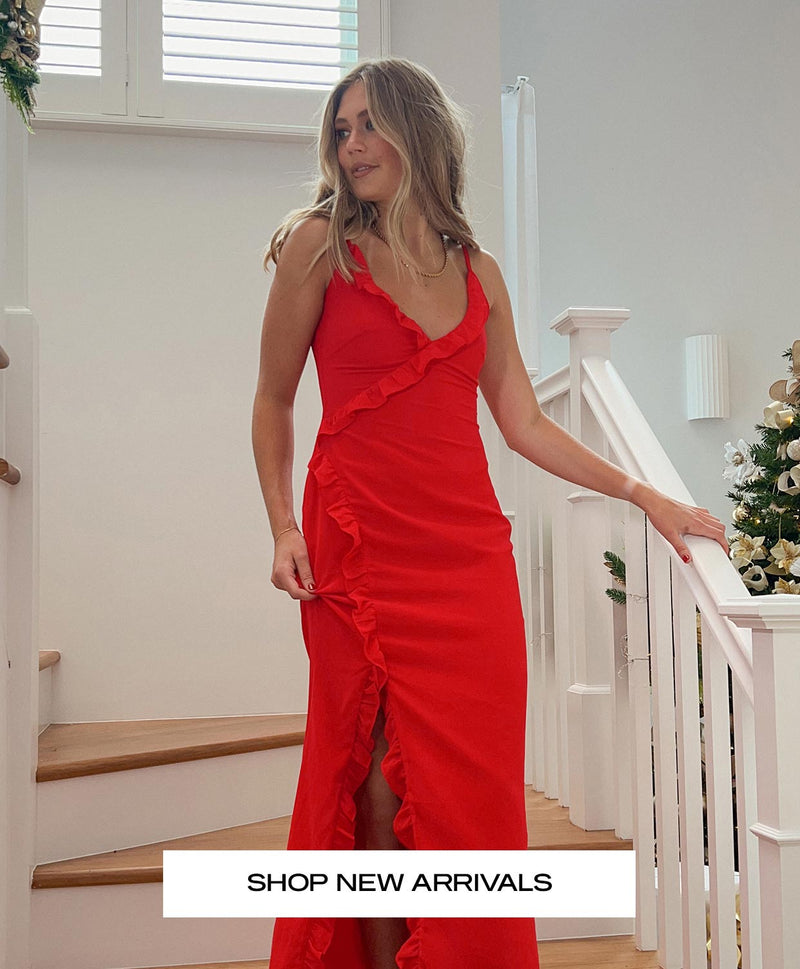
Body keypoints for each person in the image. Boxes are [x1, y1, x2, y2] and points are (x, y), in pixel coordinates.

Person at [251, 56, 728, 969]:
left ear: (419, 130)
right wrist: (282, 526)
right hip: (358, 544)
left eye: (369, 124)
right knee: (371, 778)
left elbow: (524, 423)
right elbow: (271, 400)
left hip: (467, 561)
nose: (351, 146)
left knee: (470, 791)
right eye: (341, 130)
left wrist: (641, 491)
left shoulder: (481, 274)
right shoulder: (320, 246)